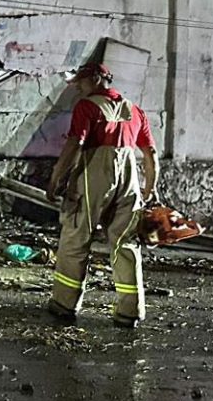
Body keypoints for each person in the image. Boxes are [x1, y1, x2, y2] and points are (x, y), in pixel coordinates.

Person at [45, 61, 157, 328]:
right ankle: (130, 311)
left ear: (96, 78)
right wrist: (149, 187)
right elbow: (150, 153)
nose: (78, 88)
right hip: (129, 179)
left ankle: (64, 303)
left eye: (81, 82)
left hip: (94, 176)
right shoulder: (135, 111)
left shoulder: (86, 107)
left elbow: (75, 144)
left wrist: (56, 178)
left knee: (76, 236)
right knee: (125, 242)